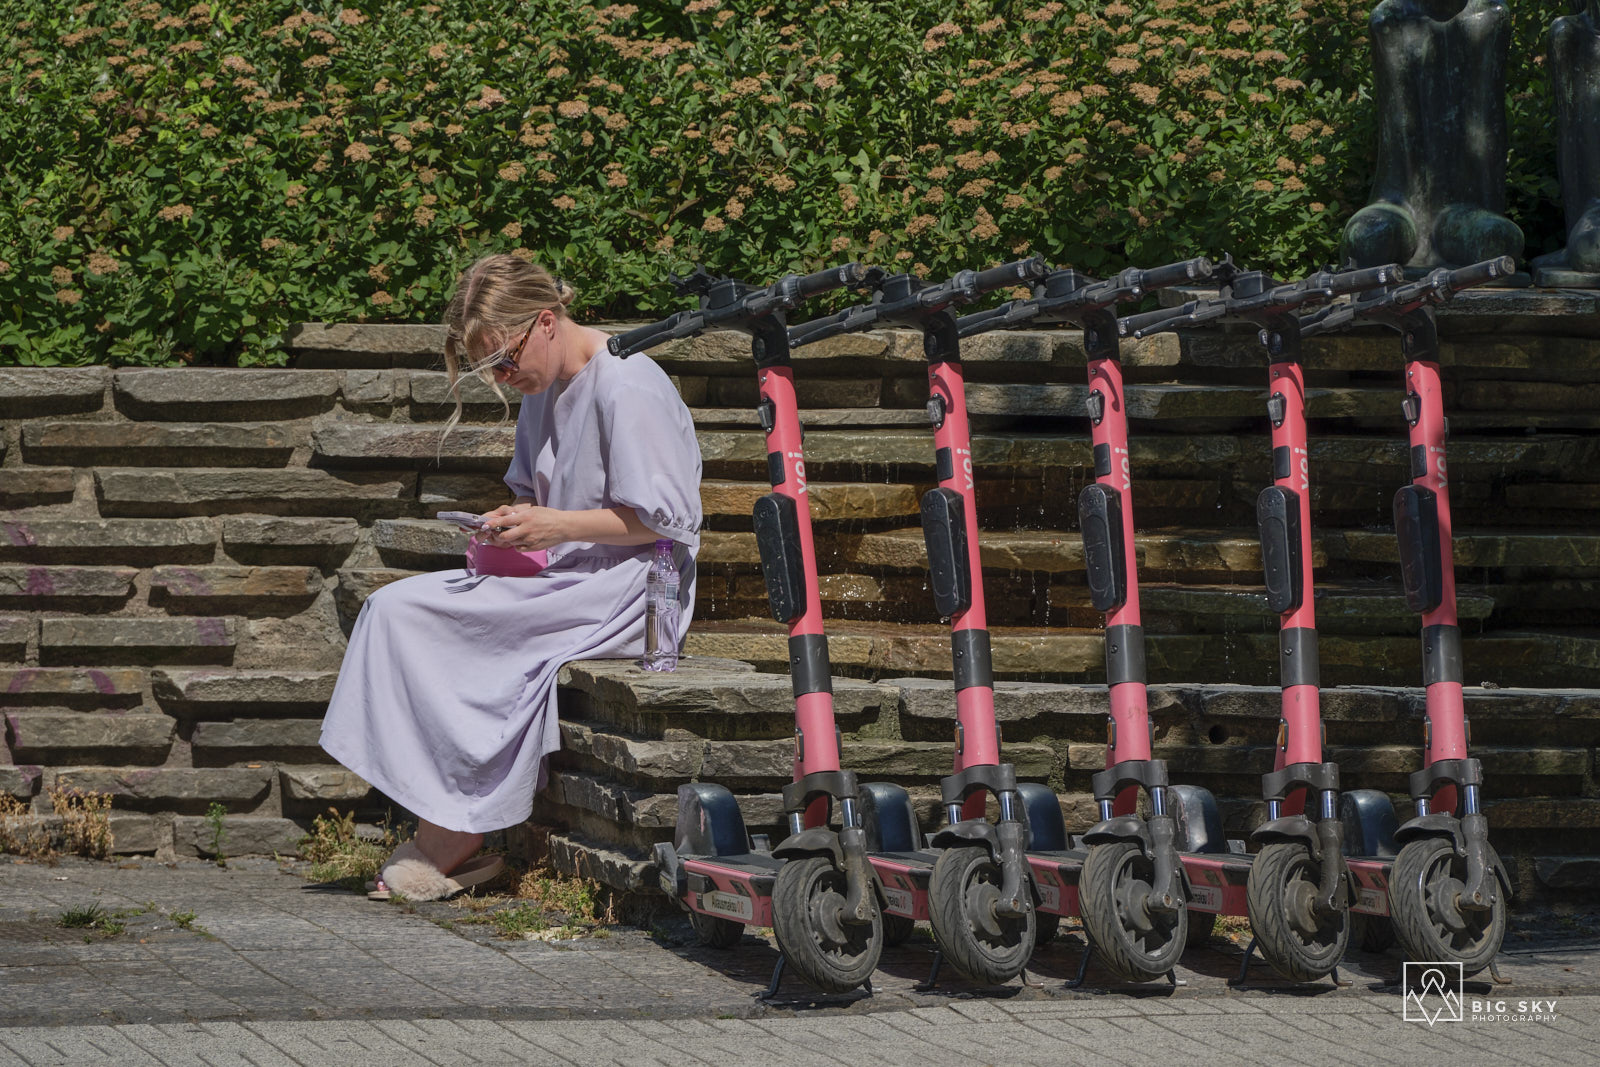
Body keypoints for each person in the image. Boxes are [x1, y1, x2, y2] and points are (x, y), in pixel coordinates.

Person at [320, 253, 703, 901]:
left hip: (632, 586)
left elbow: (666, 522)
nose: (501, 376)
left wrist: (556, 525)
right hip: (563, 570)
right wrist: (514, 522)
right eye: (489, 368)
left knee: (455, 632)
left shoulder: (627, 383)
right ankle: (446, 809)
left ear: (546, 322)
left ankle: (453, 833)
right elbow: (539, 496)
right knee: (392, 609)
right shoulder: (543, 384)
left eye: (504, 358)